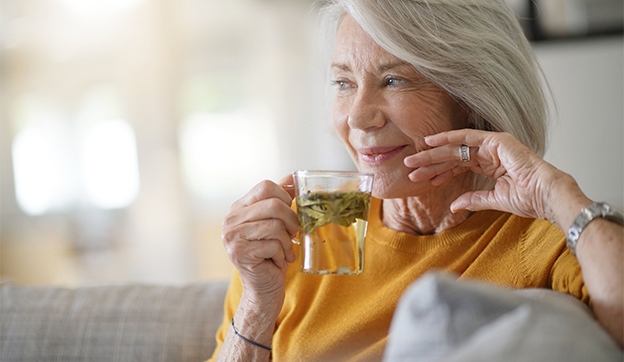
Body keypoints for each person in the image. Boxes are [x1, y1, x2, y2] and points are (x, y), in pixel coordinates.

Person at [207, 1, 624, 361]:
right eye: (343, 83)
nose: (356, 116)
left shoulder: (540, 237)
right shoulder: (308, 227)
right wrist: (257, 306)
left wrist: (557, 193)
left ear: (471, 99)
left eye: (393, 80)